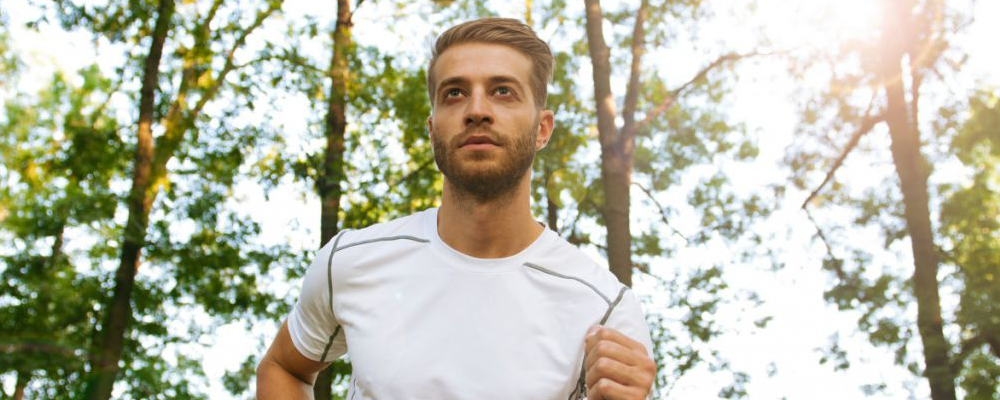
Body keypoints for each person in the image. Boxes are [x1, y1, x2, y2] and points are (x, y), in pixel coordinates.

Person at [256, 17, 656, 400]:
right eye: (455, 93)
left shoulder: (604, 309)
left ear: (542, 129)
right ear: (433, 130)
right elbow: (283, 367)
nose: (476, 110)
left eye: (503, 91)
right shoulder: (350, 261)